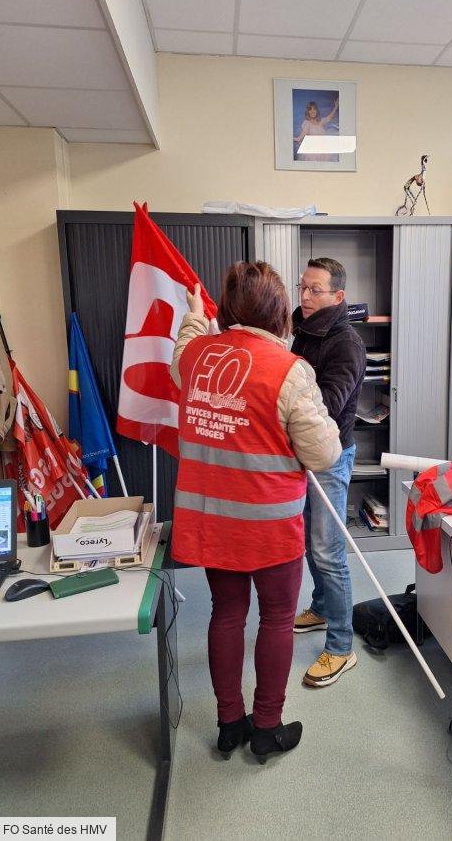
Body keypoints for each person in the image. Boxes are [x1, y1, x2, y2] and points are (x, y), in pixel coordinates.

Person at [170, 261, 341, 763]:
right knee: (277, 620)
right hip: (269, 529)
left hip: (212, 525)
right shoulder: (290, 371)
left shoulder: (195, 358)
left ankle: (229, 724)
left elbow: (186, 341)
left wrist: (195, 313)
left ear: (226, 309)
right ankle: (266, 728)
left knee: (226, 616)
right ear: (277, 312)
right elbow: (324, 454)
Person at [291, 257, 366, 687]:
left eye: (314, 289)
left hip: (332, 456)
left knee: (327, 550)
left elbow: (331, 405)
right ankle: (321, 607)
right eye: (302, 287)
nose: (304, 296)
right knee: (308, 541)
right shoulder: (302, 332)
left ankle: (341, 647)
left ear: (338, 296)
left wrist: (289, 408)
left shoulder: (346, 343)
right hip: (302, 453)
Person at [293, 97, 338, 161]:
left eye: (314, 109)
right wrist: (288, 137)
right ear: (308, 112)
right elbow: (299, 138)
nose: (312, 111)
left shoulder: (320, 122)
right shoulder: (307, 123)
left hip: (324, 152)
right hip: (313, 154)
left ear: (317, 111)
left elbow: (329, 117)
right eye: (310, 109)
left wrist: (336, 107)